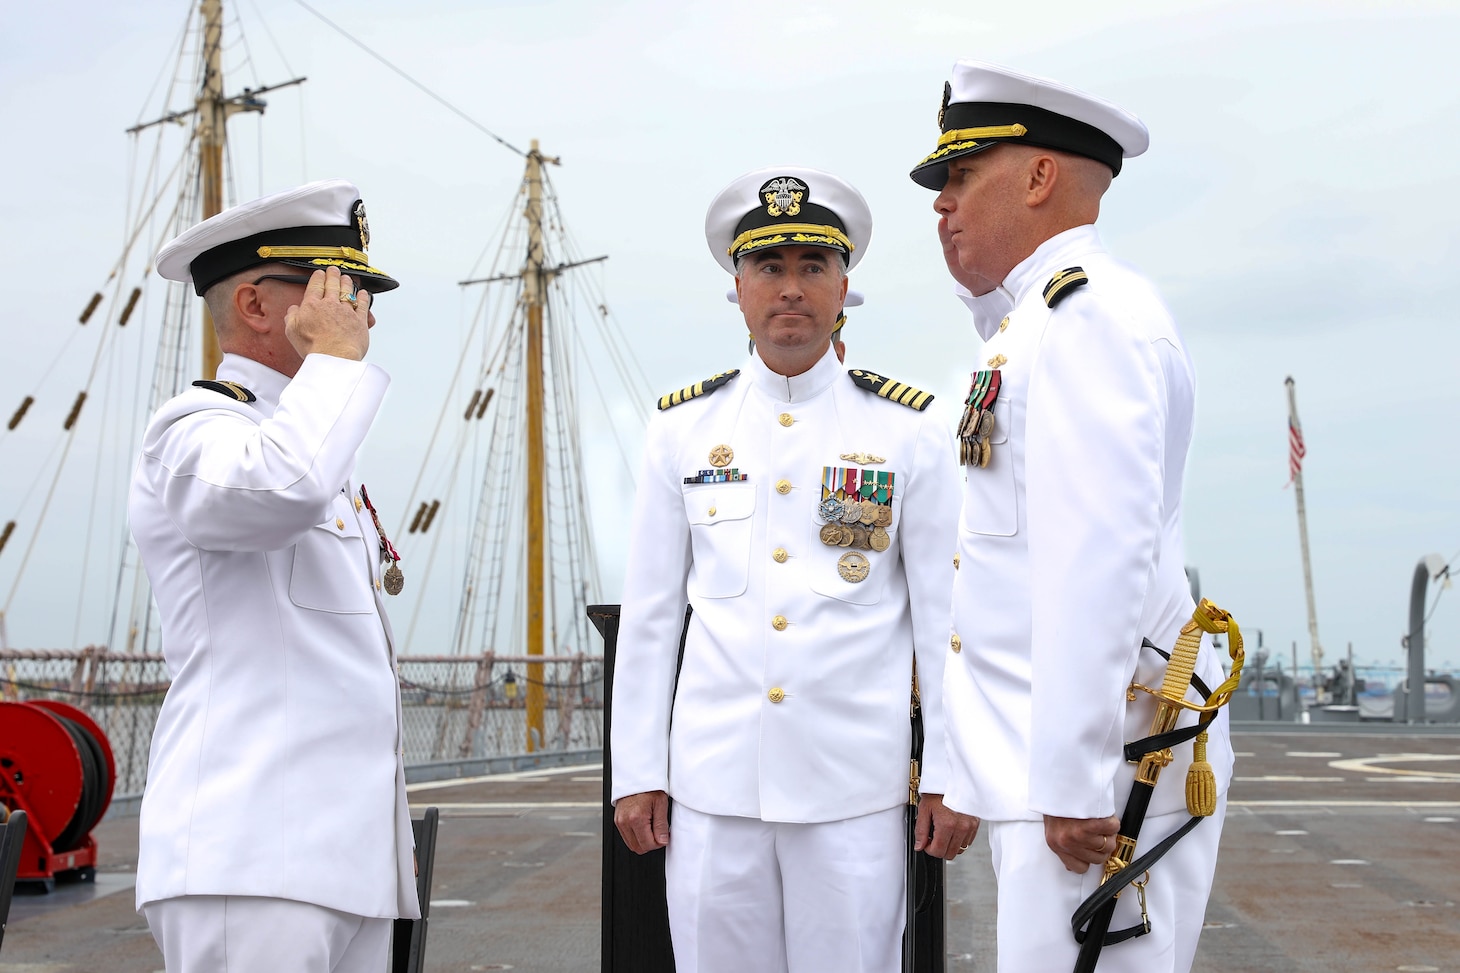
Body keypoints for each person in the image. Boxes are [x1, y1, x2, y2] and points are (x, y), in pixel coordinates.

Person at [908, 60, 1235, 973]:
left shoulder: (1088, 318)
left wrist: (1075, 775)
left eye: (962, 177)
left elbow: (1100, 558)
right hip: (1055, 776)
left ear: (1041, 177)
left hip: (1096, 789)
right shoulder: (1030, 326)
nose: (942, 205)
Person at [611, 165, 978, 973]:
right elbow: (648, 617)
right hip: (712, 792)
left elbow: (946, 619)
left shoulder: (906, 430)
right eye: (769, 268)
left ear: (844, 287)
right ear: (737, 288)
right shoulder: (682, 428)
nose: (790, 289)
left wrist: (950, 772)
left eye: (812, 268)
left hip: (850, 791)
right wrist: (636, 771)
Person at [129, 179, 418, 972]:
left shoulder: (312, 442)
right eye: (337, 287)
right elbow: (276, 492)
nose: (360, 310)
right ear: (258, 306)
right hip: (249, 855)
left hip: (344, 862)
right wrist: (334, 364)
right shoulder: (193, 430)